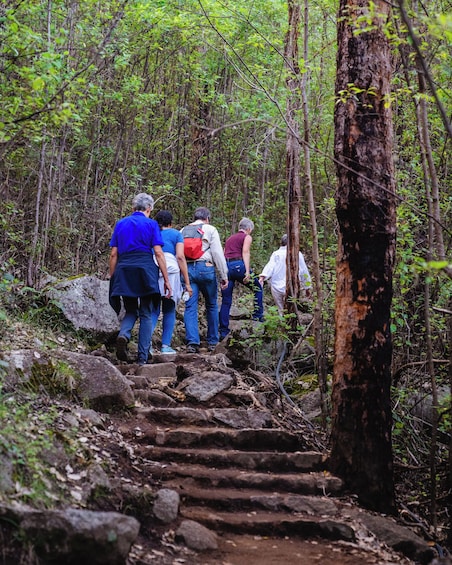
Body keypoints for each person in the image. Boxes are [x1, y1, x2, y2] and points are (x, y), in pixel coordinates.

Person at [109, 193, 171, 365]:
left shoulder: (121, 223)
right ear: (149, 209)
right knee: (145, 313)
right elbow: (158, 252)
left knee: (130, 310)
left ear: (132, 207)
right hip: (145, 270)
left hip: (124, 269)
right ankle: (142, 358)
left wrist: (113, 276)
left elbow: (114, 253)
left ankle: (124, 334)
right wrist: (166, 280)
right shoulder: (151, 224)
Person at [182, 207, 228, 353]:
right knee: (212, 305)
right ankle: (213, 341)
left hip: (187, 269)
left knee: (190, 307)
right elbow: (217, 253)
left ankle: (192, 343)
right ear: (207, 218)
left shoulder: (183, 230)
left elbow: (178, 254)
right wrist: (224, 275)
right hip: (206, 268)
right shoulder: (210, 229)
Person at [150, 210, 193, 355]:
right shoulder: (176, 234)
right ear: (171, 222)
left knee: (153, 310)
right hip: (172, 273)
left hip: (154, 270)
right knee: (169, 309)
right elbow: (180, 257)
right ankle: (165, 346)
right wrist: (187, 283)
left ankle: (146, 344)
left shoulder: (152, 233)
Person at [219, 217, 264, 340]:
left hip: (226, 267)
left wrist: (222, 273)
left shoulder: (229, 239)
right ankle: (258, 316)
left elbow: (223, 254)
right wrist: (248, 271)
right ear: (248, 229)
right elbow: (245, 252)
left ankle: (223, 330)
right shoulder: (246, 237)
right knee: (257, 288)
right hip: (239, 265)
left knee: (226, 300)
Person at [258, 234, 311, 315]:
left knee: (281, 309)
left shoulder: (276, 254)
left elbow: (270, 266)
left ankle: (282, 322)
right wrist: (307, 286)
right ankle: (290, 324)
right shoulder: (297, 254)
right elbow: (304, 270)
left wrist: (263, 276)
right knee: (291, 309)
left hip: (276, 286)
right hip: (292, 286)